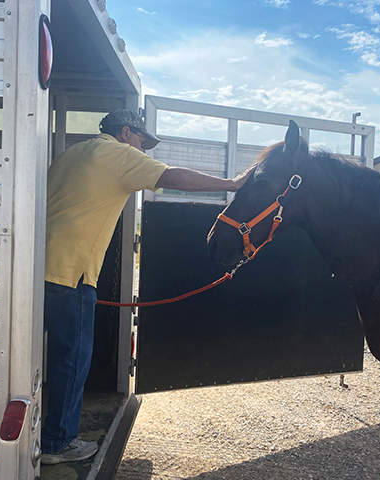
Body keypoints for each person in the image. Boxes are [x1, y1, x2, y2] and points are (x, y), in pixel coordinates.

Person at [40, 109, 253, 464]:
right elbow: (174, 177)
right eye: (142, 141)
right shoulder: (120, 156)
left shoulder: (70, 154)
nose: (144, 151)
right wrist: (232, 185)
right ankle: (56, 442)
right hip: (70, 273)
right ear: (125, 133)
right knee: (71, 361)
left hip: (36, 269)